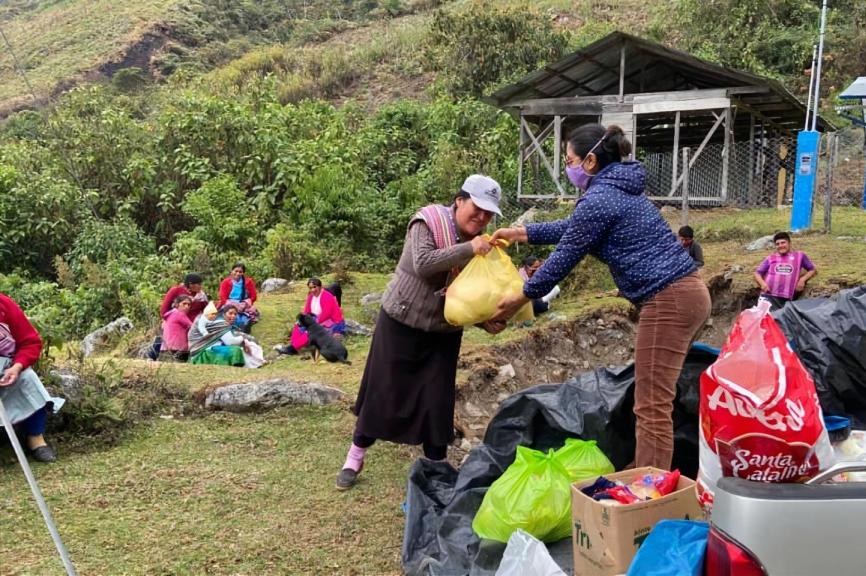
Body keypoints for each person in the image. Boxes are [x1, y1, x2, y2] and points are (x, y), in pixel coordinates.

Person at [490, 123, 711, 471]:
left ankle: (648, 496)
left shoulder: (600, 198)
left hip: (668, 299)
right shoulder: (614, 189)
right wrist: (521, 233)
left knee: (651, 405)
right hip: (686, 293)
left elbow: (564, 256)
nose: (568, 167)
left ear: (590, 160)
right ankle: (648, 470)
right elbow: (574, 227)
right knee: (655, 398)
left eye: (570, 159)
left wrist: (518, 300)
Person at [336, 174, 506, 490]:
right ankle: (355, 455)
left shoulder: (481, 245)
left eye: (488, 213)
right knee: (382, 391)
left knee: (437, 399)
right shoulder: (427, 222)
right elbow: (425, 264)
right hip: (401, 321)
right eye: (477, 208)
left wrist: (486, 321)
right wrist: (470, 248)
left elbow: (468, 294)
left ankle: (437, 463)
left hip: (443, 331)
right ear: (460, 200)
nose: (482, 217)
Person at [0, 292, 64, 463]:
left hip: (8, 370)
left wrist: (17, 367)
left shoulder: (4, 305)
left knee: (28, 378)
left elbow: (30, 342)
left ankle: (36, 440)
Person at [276, 278, 346, 355]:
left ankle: (292, 349)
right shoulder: (310, 296)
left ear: (320, 287)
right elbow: (307, 311)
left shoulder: (327, 296)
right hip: (315, 319)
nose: (312, 290)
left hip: (331, 322)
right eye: (310, 288)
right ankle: (294, 345)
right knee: (298, 325)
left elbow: (326, 314)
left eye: (314, 287)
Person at [754, 231, 817, 311]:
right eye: (777, 244)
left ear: (789, 243)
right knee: (764, 321)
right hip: (768, 296)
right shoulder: (771, 258)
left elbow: (812, 269)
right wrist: (763, 284)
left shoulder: (799, 256)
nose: (780, 245)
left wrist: (802, 280)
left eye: (783, 243)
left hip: (787, 298)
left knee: (781, 322)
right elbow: (757, 273)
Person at [188, 303, 264, 368]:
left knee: (245, 346)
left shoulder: (214, 320)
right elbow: (230, 342)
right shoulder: (219, 323)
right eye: (230, 313)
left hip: (199, 350)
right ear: (223, 314)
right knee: (236, 350)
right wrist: (243, 338)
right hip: (200, 354)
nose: (233, 316)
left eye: (235, 314)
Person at [217, 263, 260, 331]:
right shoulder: (225, 282)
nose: (238, 273)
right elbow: (223, 298)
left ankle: (244, 325)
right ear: (232, 271)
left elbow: (253, 296)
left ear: (243, 273)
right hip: (229, 304)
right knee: (229, 316)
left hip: (244, 303)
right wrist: (234, 305)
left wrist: (244, 304)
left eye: (240, 272)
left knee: (243, 318)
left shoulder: (248, 282)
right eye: (236, 271)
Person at [159, 294, 194, 362]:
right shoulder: (179, 314)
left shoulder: (170, 314)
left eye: (189, 305)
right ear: (177, 304)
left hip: (165, 349)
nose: (187, 306)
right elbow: (193, 327)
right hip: (176, 349)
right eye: (184, 304)